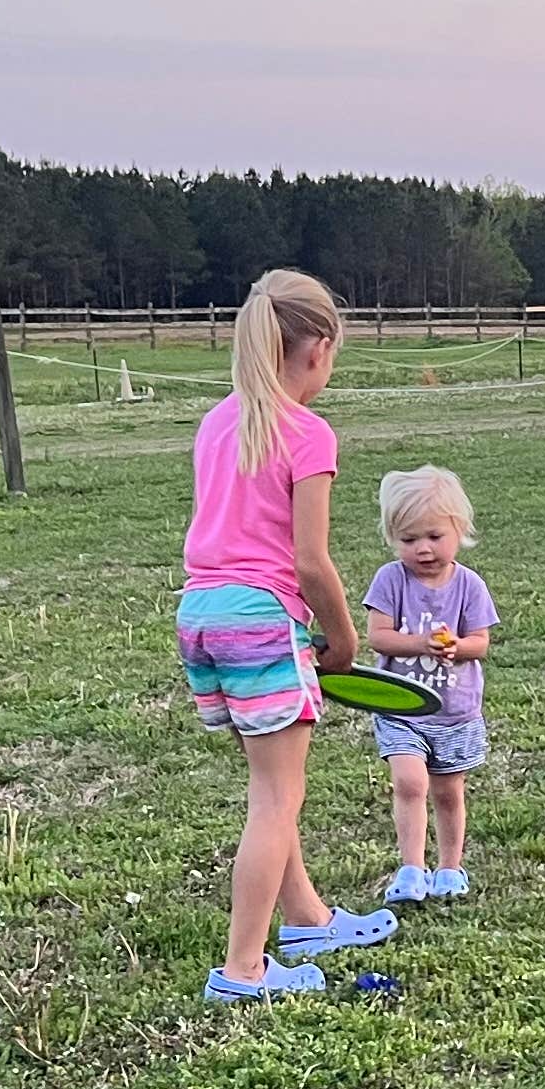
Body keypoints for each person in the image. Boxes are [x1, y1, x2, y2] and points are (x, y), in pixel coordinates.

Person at [174, 269, 400, 1001]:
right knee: (276, 798)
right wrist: (344, 639)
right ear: (319, 348)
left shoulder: (218, 421)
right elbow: (309, 560)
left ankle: (306, 918)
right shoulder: (307, 433)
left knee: (274, 786)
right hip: (262, 623)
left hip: (202, 619)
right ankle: (243, 969)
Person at [361, 464, 499, 906]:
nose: (422, 549)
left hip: (455, 712)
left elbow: (481, 642)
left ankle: (450, 868)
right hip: (403, 708)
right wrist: (420, 642)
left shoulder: (470, 585)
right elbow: (378, 637)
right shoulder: (390, 580)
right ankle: (410, 868)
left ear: (459, 530)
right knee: (409, 782)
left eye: (434, 537)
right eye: (408, 539)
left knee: (448, 792)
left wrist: (458, 647)